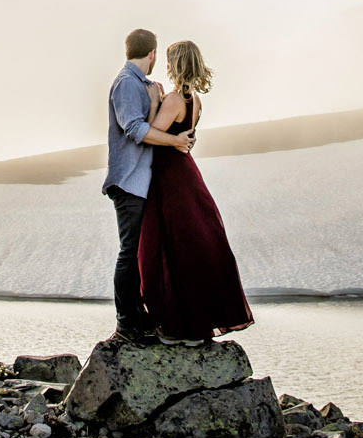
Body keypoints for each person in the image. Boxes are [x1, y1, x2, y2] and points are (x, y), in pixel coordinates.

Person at [137, 39, 254, 343]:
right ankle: (193, 325)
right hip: (186, 175)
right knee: (190, 248)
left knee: (165, 249)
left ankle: (178, 326)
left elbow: (149, 135)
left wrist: (153, 103)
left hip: (170, 180)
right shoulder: (195, 102)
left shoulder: (175, 100)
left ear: (175, 65)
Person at [103, 27, 198, 342]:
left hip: (141, 181)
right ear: (153, 54)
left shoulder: (143, 84)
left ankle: (139, 318)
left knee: (140, 253)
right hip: (128, 180)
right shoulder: (127, 83)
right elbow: (134, 129)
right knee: (130, 253)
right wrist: (174, 140)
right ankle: (125, 324)